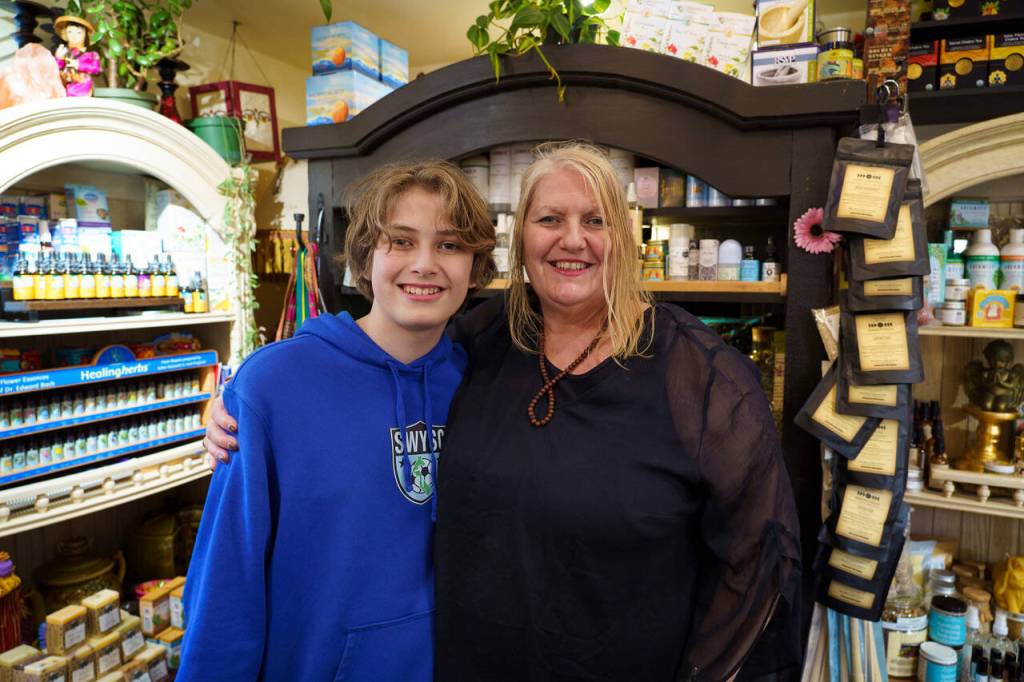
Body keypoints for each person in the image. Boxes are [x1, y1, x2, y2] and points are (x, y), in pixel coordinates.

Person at [205, 143, 800, 681]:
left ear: (623, 234)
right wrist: (243, 401)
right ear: (521, 243)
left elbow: (758, 558)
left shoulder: (693, 372)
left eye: (595, 220)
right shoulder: (478, 349)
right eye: (550, 219)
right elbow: (229, 586)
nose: (572, 239)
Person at [179, 161, 496, 681]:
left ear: (475, 267)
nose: (424, 263)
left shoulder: (484, 384)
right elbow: (226, 584)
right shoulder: (273, 387)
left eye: (450, 245)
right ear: (366, 255)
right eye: (400, 240)